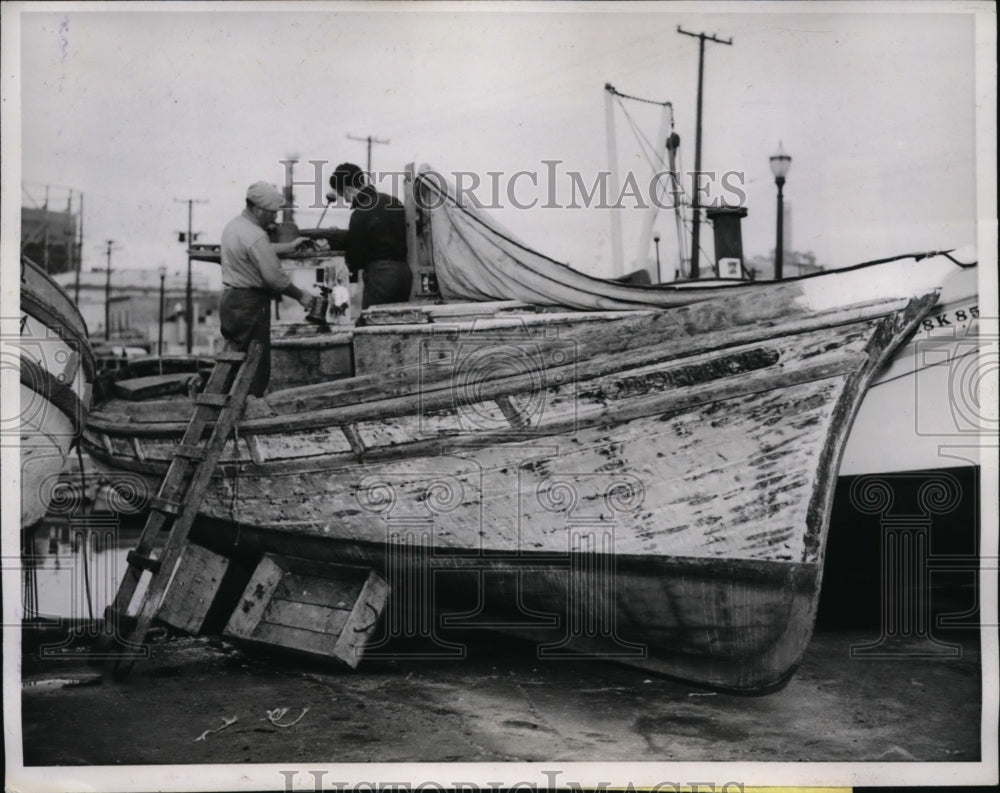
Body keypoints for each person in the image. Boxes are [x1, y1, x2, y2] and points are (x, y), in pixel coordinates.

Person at [219, 181, 316, 397]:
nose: (275, 218)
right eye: (273, 213)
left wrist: (289, 246)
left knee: (235, 363)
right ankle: (247, 417)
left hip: (231, 301)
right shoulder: (254, 235)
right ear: (259, 209)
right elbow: (275, 279)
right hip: (250, 305)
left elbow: (258, 249)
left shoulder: (235, 226)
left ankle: (227, 412)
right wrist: (301, 296)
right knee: (256, 368)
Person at [327, 162, 412, 310]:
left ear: (348, 189)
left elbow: (356, 259)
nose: (346, 201)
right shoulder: (392, 201)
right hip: (404, 273)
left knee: (373, 324)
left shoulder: (359, 214)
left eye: (343, 195)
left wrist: (338, 241)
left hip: (380, 277)